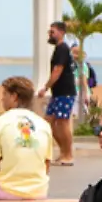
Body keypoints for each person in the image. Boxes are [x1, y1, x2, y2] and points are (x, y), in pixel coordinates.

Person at [0, 77, 51, 201]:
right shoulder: (44, 124)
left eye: (5, 94)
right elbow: (47, 164)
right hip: (38, 192)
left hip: (5, 191)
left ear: (14, 97)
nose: (2, 99)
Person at [38, 21, 77, 166]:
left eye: (52, 32)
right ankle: (63, 151)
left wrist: (45, 87)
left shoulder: (62, 49)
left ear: (61, 32)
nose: (50, 34)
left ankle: (68, 154)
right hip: (58, 93)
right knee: (48, 121)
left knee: (62, 122)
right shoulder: (58, 49)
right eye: (49, 32)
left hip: (65, 92)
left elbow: (57, 71)